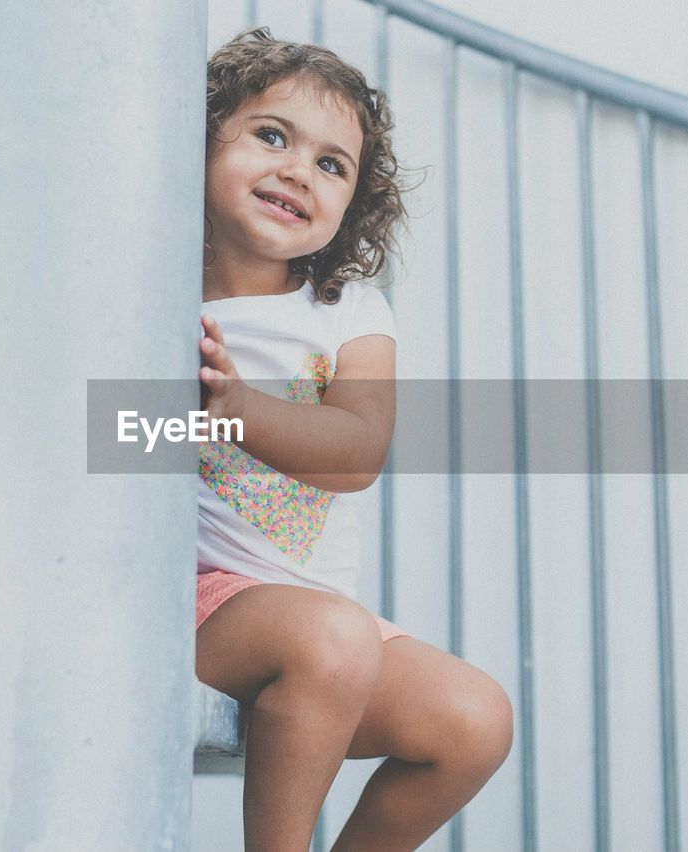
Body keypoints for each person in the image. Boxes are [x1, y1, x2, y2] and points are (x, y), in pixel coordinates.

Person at [194, 28, 513, 851]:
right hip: (196, 600)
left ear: (350, 208)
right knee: (330, 636)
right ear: (196, 144)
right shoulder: (155, 295)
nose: (300, 169)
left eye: (332, 164)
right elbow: (111, 430)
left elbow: (358, 452)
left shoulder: (352, 314)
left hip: (314, 623)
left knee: (474, 721)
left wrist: (231, 406)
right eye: (271, 135)